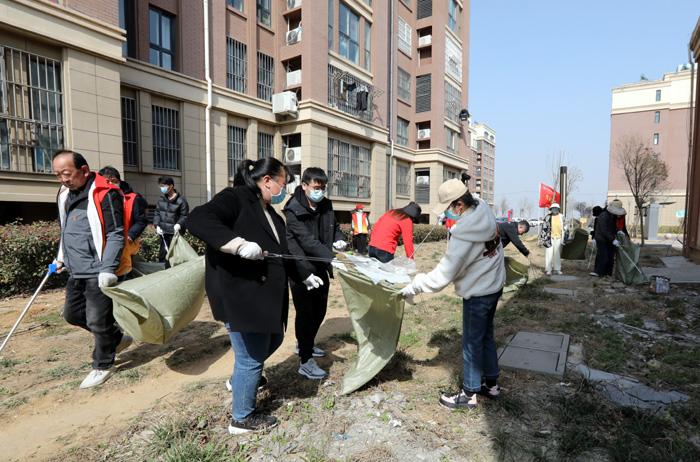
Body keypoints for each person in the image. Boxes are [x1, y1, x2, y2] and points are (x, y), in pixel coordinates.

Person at [186, 157, 308, 435]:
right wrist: (237, 245)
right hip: (241, 293)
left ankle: (239, 380)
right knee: (251, 358)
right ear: (267, 181)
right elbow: (199, 219)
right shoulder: (235, 198)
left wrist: (307, 273)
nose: (283, 190)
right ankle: (242, 417)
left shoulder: (271, 213)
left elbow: (283, 251)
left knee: (274, 338)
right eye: (282, 183)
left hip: (264, 297)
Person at [400, 174, 505, 410]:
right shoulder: (483, 209)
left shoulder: (464, 234)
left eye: (447, 208)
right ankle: (492, 384)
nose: (445, 213)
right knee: (486, 336)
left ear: (459, 204)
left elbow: (442, 277)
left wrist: (415, 285)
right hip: (494, 285)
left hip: (478, 292)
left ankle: (469, 394)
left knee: (471, 342)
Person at [51, 150, 132, 389]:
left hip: (98, 269)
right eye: (58, 175)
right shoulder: (65, 193)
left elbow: (116, 233)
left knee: (98, 320)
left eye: (66, 173)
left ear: (84, 171)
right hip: (76, 268)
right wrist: (61, 258)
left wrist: (108, 268)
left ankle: (103, 365)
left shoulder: (105, 193)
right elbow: (66, 229)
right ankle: (116, 338)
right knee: (72, 314)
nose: (63, 179)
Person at [283, 167, 347, 380]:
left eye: (323, 188)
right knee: (305, 313)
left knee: (320, 310)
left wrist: (339, 239)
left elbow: (334, 226)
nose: (320, 191)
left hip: (321, 264)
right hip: (302, 269)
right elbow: (305, 241)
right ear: (304, 186)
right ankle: (305, 360)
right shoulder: (293, 209)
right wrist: (332, 257)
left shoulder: (325, 204)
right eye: (316, 187)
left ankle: (306, 345)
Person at [98, 166, 148, 278]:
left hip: (126, 245)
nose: (110, 184)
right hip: (104, 245)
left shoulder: (133, 198)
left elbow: (141, 221)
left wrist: (131, 235)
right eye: (107, 182)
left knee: (125, 276)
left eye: (114, 181)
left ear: (119, 181)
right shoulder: (97, 198)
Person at [153, 176, 189, 267]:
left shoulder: (181, 200)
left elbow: (184, 216)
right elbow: (157, 213)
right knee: (163, 255)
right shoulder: (161, 200)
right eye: (161, 186)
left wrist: (179, 224)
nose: (162, 188)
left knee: (175, 257)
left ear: (171, 186)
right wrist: (157, 225)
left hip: (174, 233)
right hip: (163, 232)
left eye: (164, 186)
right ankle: (163, 273)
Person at [591, 199, 627, 278]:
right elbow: (604, 230)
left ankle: (608, 273)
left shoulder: (613, 216)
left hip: (610, 239)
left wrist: (618, 231)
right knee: (604, 257)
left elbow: (613, 227)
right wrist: (613, 239)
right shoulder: (603, 216)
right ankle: (600, 273)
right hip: (602, 240)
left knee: (611, 258)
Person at [539, 202, 567, 276]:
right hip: (549, 237)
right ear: (551, 209)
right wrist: (542, 238)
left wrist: (566, 237)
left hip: (559, 237)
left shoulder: (562, 217)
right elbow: (544, 228)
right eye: (553, 209)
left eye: (556, 208)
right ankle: (549, 269)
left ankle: (557, 269)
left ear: (558, 209)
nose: (554, 210)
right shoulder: (547, 217)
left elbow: (565, 227)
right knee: (549, 253)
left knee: (557, 253)